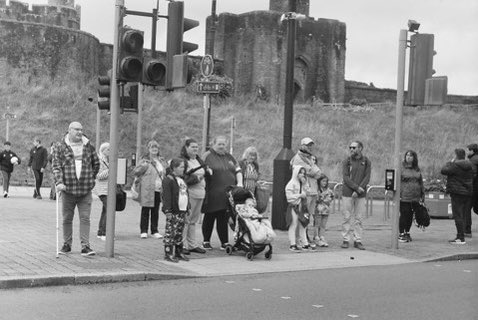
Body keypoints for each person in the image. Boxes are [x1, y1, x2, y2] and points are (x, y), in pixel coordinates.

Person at [52, 122, 100, 256]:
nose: (80, 132)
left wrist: (90, 178)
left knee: (85, 218)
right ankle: (67, 244)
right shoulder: (60, 147)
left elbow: (96, 163)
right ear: (69, 130)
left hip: (85, 190)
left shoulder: (88, 146)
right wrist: (59, 182)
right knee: (67, 218)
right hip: (68, 189)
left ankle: (85, 246)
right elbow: (56, 166)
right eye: (76, 129)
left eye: (81, 129)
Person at [202, 136, 243, 250]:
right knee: (209, 216)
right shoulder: (207, 156)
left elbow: (238, 170)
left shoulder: (230, 157)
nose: (221, 146)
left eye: (223, 144)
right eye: (219, 144)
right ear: (213, 144)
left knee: (223, 218)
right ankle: (206, 241)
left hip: (227, 194)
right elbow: (201, 169)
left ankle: (224, 242)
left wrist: (240, 183)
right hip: (212, 193)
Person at [132, 140, 167, 239]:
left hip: (158, 188)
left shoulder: (161, 160)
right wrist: (143, 166)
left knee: (155, 210)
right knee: (146, 209)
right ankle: (143, 230)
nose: (154, 149)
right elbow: (136, 172)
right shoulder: (144, 160)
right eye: (152, 147)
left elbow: (165, 172)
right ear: (148, 149)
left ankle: (154, 230)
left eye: (156, 147)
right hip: (147, 187)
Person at [290, 137, 321, 248]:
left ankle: (305, 238)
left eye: (311, 145)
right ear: (302, 145)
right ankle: (299, 239)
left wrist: (313, 168)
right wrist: (313, 167)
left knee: (309, 216)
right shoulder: (298, 158)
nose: (310, 147)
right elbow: (312, 171)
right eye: (308, 145)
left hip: (313, 190)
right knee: (302, 215)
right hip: (304, 191)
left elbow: (318, 174)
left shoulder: (310, 158)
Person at [341, 140, 371, 250]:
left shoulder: (366, 161)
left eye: (354, 147)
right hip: (347, 193)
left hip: (361, 194)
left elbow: (367, 177)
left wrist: (359, 189)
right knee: (346, 216)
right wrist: (355, 187)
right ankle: (345, 239)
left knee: (359, 218)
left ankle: (358, 240)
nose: (351, 149)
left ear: (360, 148)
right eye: (350, 147)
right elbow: (346, 177)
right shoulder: (346, 161)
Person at [180, 138, 208, 254]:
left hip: (200, 194)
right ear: (186, 148)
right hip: (189, 193)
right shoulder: (183, 161)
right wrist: (196, 178)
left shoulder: (198, 160)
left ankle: (192, 245)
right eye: (192, 147)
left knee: (193, 221)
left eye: (196, 147)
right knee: (186, 220)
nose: (195, 149)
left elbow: (204, 171)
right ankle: (182, 245)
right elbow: (183, 178)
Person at [441, 148, 473, 244]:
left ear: (456, 156)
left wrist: (450, 162)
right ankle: (462, 235)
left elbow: (443, 170)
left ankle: (460, 237)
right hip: (467, 193)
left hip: (457, 193)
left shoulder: (455, 165)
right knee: (463, 215)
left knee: (457, 215)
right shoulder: (469, 165)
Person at [162, 158, 189, 263]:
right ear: (174, 168)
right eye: (181, 167)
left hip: (182, 210)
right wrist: (167, 210)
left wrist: (187, 208)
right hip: (173, 211)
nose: (183, 169)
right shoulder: (169, 180)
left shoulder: (182, 180)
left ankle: (179, 252)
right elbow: (167, 196)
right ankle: (168, 252)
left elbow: (186, 194)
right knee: (170, 232)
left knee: (179, 232)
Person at [398, 150, 425, 243]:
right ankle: (401, 233)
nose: (408, 157)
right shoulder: (401, 168)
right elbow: (398, 181)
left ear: (414, 158)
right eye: (407, 155)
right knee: (404, 214)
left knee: (410, 216)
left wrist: (422, 194)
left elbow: (420, 182)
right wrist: (399, 194)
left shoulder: (417, 169)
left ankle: (407, 232)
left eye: (411, 155)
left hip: (415, 197)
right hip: (404, 196)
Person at [285, 166, 311, 252]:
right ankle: (292, 244)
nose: (302, 175)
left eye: (304, 173)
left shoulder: (303, 183)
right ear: (296, 173)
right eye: (300, 172)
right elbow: (289, 197)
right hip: (294, 207)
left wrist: (305, 184)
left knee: (303, 224)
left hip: (302, 207)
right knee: (293, 224)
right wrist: (299, 195)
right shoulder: (291, 184)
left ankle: (305, 243)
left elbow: (308, 191)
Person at [94, 142, 110, 241]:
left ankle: (100, 231)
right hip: (102, 189)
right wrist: (110, 170)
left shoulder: (108, 161)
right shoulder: (99, 161)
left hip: (108, 189)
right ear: (103, 150)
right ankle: (104, 232)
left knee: (105, 210)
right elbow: (98, 175)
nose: (110, 151)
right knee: (109, 209)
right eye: (108, 149)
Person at [315, 174, 334, 247]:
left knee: (323, 225)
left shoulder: (329, 190)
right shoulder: (317, 190)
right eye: (323, 181)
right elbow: (317, 199)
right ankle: (317, 238)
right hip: (318, 210)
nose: (324, 183)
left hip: (326, 210)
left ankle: (322, 237)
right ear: (319, 181)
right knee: (317, 224)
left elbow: (331, 197)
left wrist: (327, 200)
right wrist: (322, 199)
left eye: (326, 181)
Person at [466, 143, 478, 238]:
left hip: (474, 189)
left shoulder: (473, 160)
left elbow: (472, 175)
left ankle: (467, 231)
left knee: (466, 209)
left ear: (473, 151)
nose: (467, 152)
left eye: (468, 150)